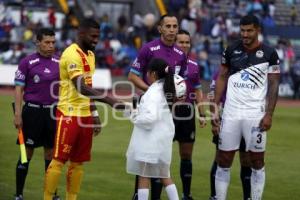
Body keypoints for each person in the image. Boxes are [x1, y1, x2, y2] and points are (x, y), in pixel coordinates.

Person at [43, 18, 125, 200]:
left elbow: (88, 85)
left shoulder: (90, 54)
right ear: (81, 34)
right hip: (69, 113)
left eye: (98, 36)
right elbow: (81, 87)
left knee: (78, 163)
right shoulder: (71, 54)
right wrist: (111, 101)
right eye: (93, 36)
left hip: (85, 115)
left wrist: (94, 113)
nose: (97, 40)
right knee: (58, 161)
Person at [213, 15, 280, 200]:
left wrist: (269, 115)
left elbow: (274, 85)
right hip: (231, 113)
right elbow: (222, 77)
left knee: (256, 161)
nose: (245, 34)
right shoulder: (231, 49)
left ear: (258, 30)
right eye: (242, 30)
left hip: (255, 115)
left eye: (249, 30)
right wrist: (215, 106)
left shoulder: (269, 53)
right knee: (224, 159)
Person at [128, 14, 186, 200]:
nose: (171, 29)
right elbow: (133, 75)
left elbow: (180, 84)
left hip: (164, 112)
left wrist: (174, 100)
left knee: (151, 162)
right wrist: (151, 90)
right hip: (150, 104)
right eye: (167, 26)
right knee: (154, 165)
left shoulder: (180, 54)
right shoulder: (148, 48)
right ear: (160, 28)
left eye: (174, 26)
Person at [13, 28, 60, 200]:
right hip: (32, 113)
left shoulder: (59, 61)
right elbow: (18, 89)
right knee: (26, 154)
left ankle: (51, 194)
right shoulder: (27, 62)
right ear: (38, 42)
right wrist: (18, 114)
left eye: (53, 42)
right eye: (47, 42)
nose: (51, 46)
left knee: (50, 155)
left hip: (52, 113)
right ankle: (19, 194)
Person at [208, 71, 251, 200]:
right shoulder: (221, 73)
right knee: (220, 158)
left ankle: (247, 197)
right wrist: (215, 122)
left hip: (247, 119)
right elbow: (212, 96)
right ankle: (214, 196)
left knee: (246, 159)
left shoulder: (249, 72)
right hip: (226, 118)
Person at [174, 30, 206, 200]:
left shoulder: (194, 65)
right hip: (168, 110)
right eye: (181, 42)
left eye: (187, 42)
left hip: (187, 112)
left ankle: (187, 194)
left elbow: (198, 90)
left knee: (186, 155)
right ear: (174, 43)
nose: (185, 45)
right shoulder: (166, 62)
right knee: (160, 153)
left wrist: (201, 114)